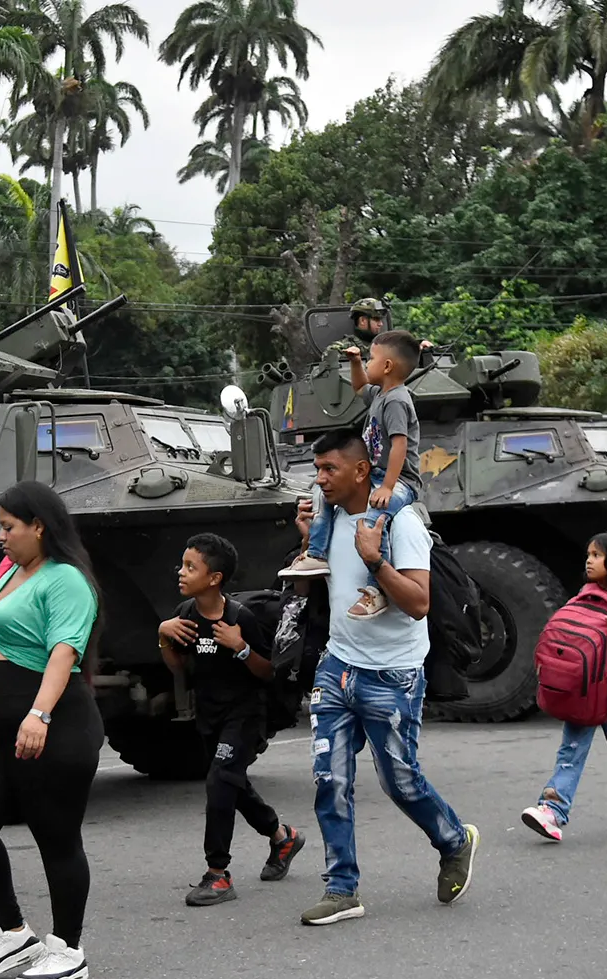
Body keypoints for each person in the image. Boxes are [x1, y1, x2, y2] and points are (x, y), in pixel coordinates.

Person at [294, 427, 478, 927]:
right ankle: (341, 888)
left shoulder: (400, 523)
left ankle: (454, 840)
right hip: (337, 667)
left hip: (392, 674)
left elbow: (418, 603)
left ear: (361, 470)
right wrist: (306, 539)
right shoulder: (329, 520)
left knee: (400, 781)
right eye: (317, 470)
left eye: (329, 469)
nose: (320, 479)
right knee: (329, 779)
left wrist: (375, 558)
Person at [0, 480, 103, 979]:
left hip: (54, 729)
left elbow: (64, 651)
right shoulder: (14, 569)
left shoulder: (66, 580)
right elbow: (6, 629)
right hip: (2, 731)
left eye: (8, 527)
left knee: (56, 839)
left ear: (39, 526)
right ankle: (13, 931)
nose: (1, 536)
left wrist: (38, 715)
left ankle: (68, 949)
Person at [157, 532, 305, 907]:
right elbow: (179, 667)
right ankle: (282, 836)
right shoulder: (184, 614)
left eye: (191, 567)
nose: (181, 572)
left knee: (220, 781)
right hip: (210, 714)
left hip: (244, 713)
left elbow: (268, 671)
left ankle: (217, 874)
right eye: (183, 564)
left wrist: (240, 648)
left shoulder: (242, 618)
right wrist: (164, 637)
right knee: (232, 783)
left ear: (214, 578)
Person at [521, 533, 607, 841]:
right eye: (589, 554)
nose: (589, 560)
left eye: (597, 555)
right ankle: (551, 810)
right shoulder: (586, 593)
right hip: (583, 685)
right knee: (570, 749)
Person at [281, 330, 425, 623]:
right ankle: (316, 556)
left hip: (400, 479)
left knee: (376, 515)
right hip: (378, 473)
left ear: (387, 367)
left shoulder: (397, 400)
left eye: (372, 358)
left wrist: (386, 486)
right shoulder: (380, 394)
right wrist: (357, 362)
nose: (368, 363)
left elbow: (400, 445)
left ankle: (376, 590)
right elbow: (359, 387)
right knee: (323, 495)